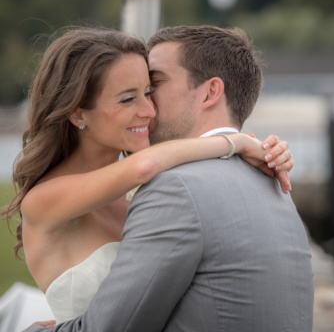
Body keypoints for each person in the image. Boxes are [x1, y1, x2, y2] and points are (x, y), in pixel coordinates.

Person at [24, 25, 313, 332]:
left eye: (150, 90)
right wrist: (236, 142)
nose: (149, 110)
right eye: (127, 99)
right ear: (78, 114)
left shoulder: (156, 193)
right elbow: (143, 168)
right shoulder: (42, 201)